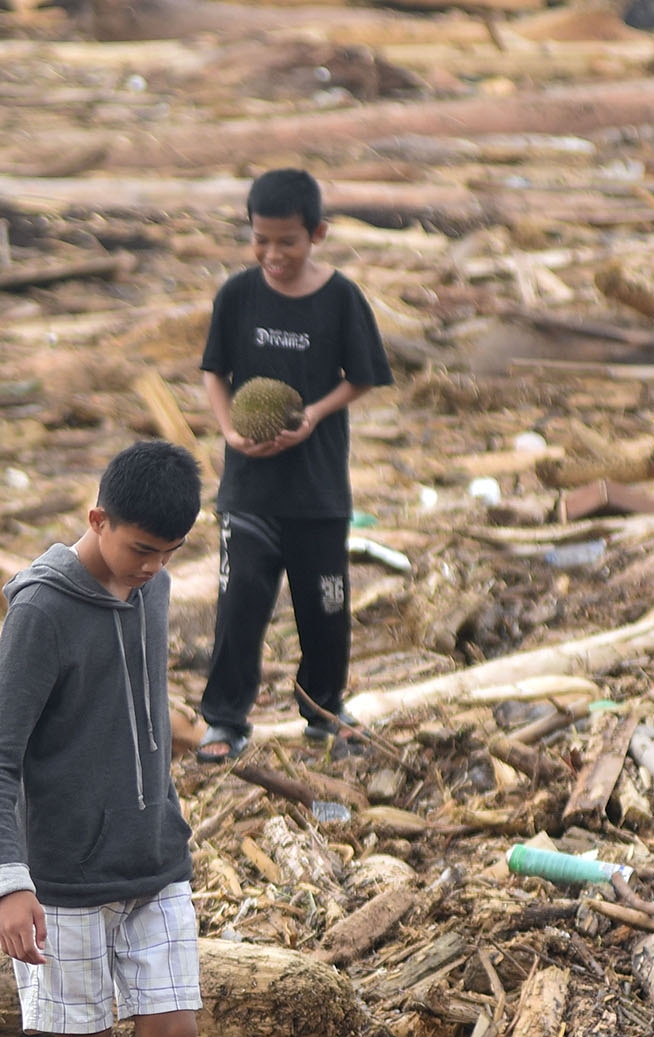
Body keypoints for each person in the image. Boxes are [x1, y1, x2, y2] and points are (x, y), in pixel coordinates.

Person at [0, 440, 205, 1037]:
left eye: (168, 553)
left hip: (154, 853)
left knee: (174, 1036)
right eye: (141, 548)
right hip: (64, 872)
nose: (152, 566)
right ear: (97, 518)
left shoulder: (155, 588)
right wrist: (8, 879)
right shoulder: (41, 609)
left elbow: (131, 691)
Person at [194, 167, 394, 765]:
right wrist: (230, 429)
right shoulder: (237, 295)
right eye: (261, 240)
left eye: (288, 241)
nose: (273, 254)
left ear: (318, 234)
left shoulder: (340, 299)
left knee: (325, 608)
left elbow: (363, 376)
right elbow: (214, 371)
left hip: (317, 491)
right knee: (238, 608)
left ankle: (324, 711)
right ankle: (225, 721)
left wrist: (312, 415)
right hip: (249, 488)